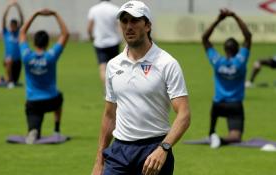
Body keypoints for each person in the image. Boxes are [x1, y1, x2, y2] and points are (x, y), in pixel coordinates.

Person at [92, 1, 191, 175]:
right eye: (124, 21)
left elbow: (184, 114)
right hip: (119, 151)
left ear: (147, 25)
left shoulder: (167, 63)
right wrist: (99, 161)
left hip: (154, 150)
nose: (128, 26)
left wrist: (164, 148)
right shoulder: (113, 65)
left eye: (135, 20)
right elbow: (109, 115)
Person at [202, 9, 252, 148]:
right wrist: (235, 16)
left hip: (218, 104)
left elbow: (205, 38)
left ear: (225, 49)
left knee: (213, 117)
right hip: (235, 104)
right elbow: (248, 37)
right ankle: (221, 140)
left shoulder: (217, 61)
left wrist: (219, 19)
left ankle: (212, 134)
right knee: (235, 137)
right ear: (237, 49)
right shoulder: (240, 61)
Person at [19, 9, 69, 144]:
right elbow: (65, 34)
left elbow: (22, 32)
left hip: (33, 103)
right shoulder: (51, 56)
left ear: (34, 43)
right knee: (60, 96)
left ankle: (33, 130)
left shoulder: (26, 56)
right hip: (51, 100)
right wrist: (55, 14)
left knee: (34, 123)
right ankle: (57, 129)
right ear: (47, 43)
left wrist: (35, 14)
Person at [87, 0, 121, 84]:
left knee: (103, 68)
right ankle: (116, 87)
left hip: (100, 42)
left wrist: (91, 37)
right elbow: (119, 26)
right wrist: (124, 40)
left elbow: (89, 27)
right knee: (115, 67)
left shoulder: (93, 9)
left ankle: (107, 89)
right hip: (114, 42)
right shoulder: (115, 9)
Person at [0, 0, 24, 88]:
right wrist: (8, 7)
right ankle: (9, 80)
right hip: (8, 60)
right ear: (10, 25)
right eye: (11, 25)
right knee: (8, 60)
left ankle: (8, 80)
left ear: (17, 26)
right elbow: (3, 19)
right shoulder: (6, 33)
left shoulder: (19, 33)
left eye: (14, 25)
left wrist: (17, 7)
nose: (13, 27)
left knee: (16, 81)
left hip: (18, 61)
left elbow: (22, 19)